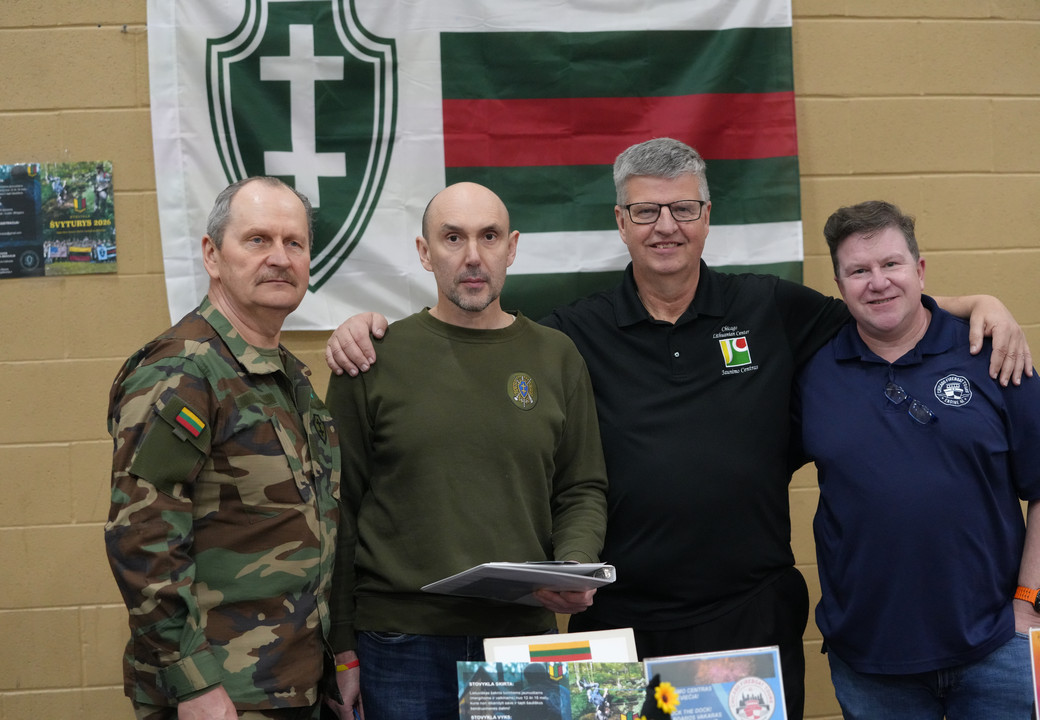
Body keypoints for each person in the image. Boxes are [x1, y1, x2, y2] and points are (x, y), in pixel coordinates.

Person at [323, 138, 1032, 719]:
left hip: (749, 619)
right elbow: (475, 340)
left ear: (706, 217)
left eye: (683, 208)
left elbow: (879, 305)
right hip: (618, 624)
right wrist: (368, 329)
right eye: (646, 211)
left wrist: (979, 303)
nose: (666, 226)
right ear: (621, 221)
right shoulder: (573, 333)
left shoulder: (770, 308)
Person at [324, 182, 608, 720]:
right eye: (453, 238)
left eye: (489, 236)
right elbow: (337, 510)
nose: (473, 255)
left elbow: (580, 487)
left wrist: (573, 566)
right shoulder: (370, 360)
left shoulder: (557, 356)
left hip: (521, 638)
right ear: (424, 251)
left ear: (512, 247)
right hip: (401, 645)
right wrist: (341, 648)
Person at [105, 177, 348, 720]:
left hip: (291, 684)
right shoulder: (183, 371)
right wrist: (193, 683)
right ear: (212, 256)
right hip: (220, 694)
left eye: (294, 243)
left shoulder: (286, 378)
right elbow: (141, 538)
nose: (280, 258)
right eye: (258, 239)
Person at [791, 200, 1040, 719]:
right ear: (839, 285)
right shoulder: (812, 373)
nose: (878, 282)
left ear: (920, 269)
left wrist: (1028, 604)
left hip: (998, 648)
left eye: (891, 264)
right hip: (870, 660)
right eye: (859, 271)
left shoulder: (993, 353)